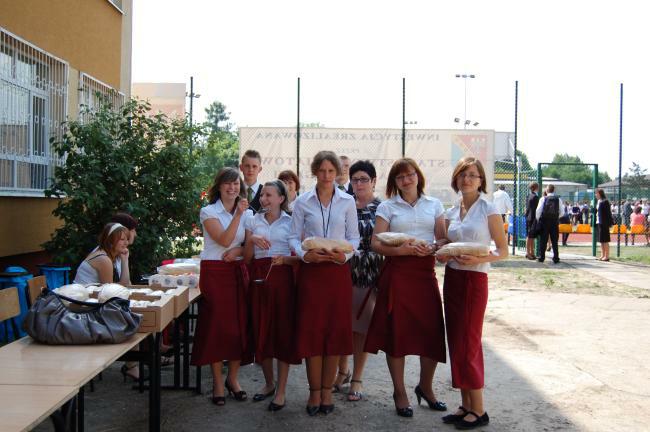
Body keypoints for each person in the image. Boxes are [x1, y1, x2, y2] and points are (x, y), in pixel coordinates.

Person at [365, 158, 448, 418]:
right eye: (400, 177)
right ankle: (399, 392)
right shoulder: (387, 206)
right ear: (395, 182)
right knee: (396, 334)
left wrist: (432, 247)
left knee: (431, 333)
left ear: (418, 176)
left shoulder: (434, 204)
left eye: (410, 174)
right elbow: (376, 243)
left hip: (424, 274)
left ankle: (425, 387)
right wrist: (403, 250)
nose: (406, 180)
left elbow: (442, 239)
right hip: (398, 273)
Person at [438, 156, 508, 430]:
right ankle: (466, 404)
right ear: (456, 178)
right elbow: (447, 241)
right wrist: (442, 250)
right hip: (453, 278)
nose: (467, 179)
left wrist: (480, 259)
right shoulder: (452, 210)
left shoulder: (488, 209)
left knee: (469, 342)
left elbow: (502, 251)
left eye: (472, 175)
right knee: (456, 341)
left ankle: (479, 409)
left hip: (475, 279)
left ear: (481, 180)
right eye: (462, 174)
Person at [288, 150, 360, 416]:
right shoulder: (303, 201)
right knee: (313, 333)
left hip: (338, 273)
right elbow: (293, 236)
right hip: (312, 273)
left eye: (331, 171)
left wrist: (345, 255)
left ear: (337, 173)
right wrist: (304, 255)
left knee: (334, 334)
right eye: (322, 171)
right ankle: (314, 392)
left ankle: (328, 392)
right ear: (315, 172)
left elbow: (355, 238)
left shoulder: (347, 201)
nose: (327, 176)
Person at [191, 167, 253, 406]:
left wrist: (239, 250)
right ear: (219, 186)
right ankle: (217, 382)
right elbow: (224, 239)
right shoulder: (208, 212)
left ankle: (233, 379)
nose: (232, 187)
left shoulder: (248, 212)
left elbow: (250, 246)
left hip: (237, 271)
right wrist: (238, 215)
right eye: (227, 183)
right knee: (216, 328)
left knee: (238, 327)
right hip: (215, 273)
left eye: (236, 183)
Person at [244, 180, 300, 411]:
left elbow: (301, 257)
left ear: (281, 199)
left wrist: (285, 259)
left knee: (283, 333)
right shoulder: (252, 220)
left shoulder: (291, 221)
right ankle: (269, 383)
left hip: (283, 278)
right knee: (262, 330)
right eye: (262, 195)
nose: (263, 199)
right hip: (259, 278)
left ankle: (282, 390)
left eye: (269, 195)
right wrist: (251, 239)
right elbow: (247, 258)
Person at [333, 160, 383, 402]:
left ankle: (357, 378)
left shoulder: (383, 208)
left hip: (370, 273)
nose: (359, 184)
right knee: (342, 324)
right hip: (343, 271)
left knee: (361, 328)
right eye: (355, 179)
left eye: (364, 179)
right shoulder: (343, 204)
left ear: (373, 181)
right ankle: (343, 371)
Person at [110, 212, 138, 284]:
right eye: (133, 230)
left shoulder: (119, 252)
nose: (135, 234)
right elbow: (108, 289)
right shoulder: (104, 257)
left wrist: (125, 260)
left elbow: (127, 284)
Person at [536, 184, 560, 263]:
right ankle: (556, 257)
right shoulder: (558, 199)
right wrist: (556, 217)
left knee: (543, 240)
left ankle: (541, 257)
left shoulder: (543, 198)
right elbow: (562, 212)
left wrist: (538, 219)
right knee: (554, 240)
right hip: (554, 222)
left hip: (544, 221)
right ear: (554, 190)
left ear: (547, 190)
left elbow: (538, 211)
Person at [595, 188, 614, 261]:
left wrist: (609, 223)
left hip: (604, 223)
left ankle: (607, 256)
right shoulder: (599, 201)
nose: (595, 195)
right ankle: (602, 255)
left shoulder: (605, 201)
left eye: (596, 193)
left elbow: (608, 213)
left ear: (600, 194)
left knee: (605, 240)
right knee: (601, 240)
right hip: (599, 222)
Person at [524, 182, 540, 260]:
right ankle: (528, 253)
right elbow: (536, 209)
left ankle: (532, 252)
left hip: (528, 217)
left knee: (531, 236)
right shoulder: (535, 197)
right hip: (533, 218)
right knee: (530, 236)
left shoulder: (528, 196)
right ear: (536, 188)